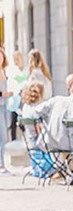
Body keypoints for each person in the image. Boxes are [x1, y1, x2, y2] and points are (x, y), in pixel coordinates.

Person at [7, 51, 29, 141]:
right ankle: (14, 140)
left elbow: (26, 82)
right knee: (13, 123)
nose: (16, 61)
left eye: (17, 59)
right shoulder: (13, 71)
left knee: (23, 123)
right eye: (14, 59)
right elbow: (12, 84)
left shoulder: (26, 70)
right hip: (15, 100)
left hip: (25, 100)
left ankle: (26, 139)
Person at [0, 48, 15, 176]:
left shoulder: (4, 71)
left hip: (5, 106)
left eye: (1, 56)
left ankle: (3, 164)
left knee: (5, 137)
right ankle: (1, 165)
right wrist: (3, 94)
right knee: (2, 136)